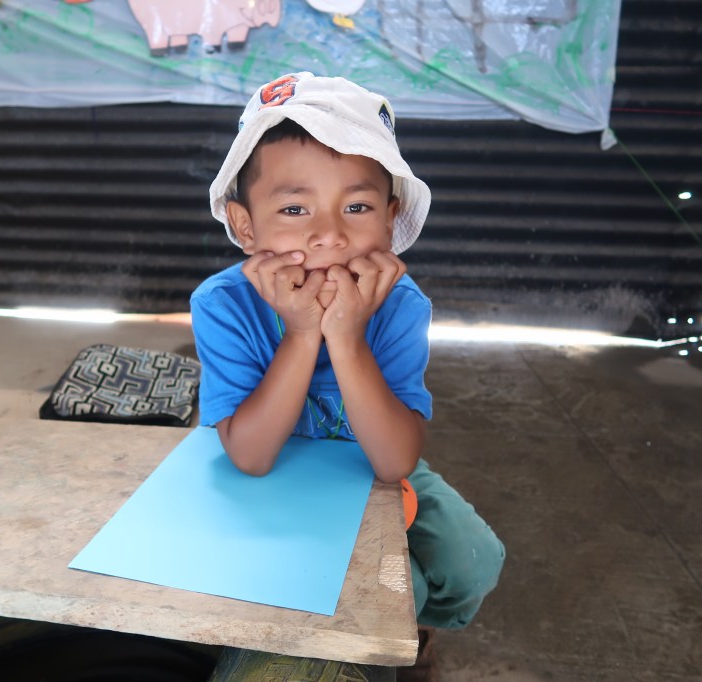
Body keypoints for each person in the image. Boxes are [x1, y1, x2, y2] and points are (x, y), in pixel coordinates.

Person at [190, 72, 504, 676]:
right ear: (246, 225)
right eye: (294, 208)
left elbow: (394, 462)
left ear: (389, 219)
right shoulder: (222, 305)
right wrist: (302, 334)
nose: (330, 234)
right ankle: (396, 626)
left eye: (356, 207)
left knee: (474, 561)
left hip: (370, 466)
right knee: (394, 584)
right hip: (275, 476)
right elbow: (251, 457)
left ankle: (420, 630)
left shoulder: (400, 305)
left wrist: (347, 335)